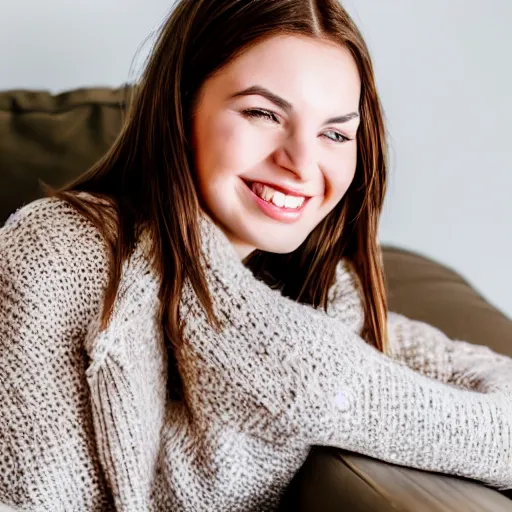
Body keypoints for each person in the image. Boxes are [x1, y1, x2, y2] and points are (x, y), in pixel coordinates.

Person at [1, 0, 511, 510]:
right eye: (263, 113)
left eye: (334, 133)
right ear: (181, 108)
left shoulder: (321, 298)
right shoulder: (57, 254)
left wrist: (311, 383)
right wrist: (302, 380)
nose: (301, 163)